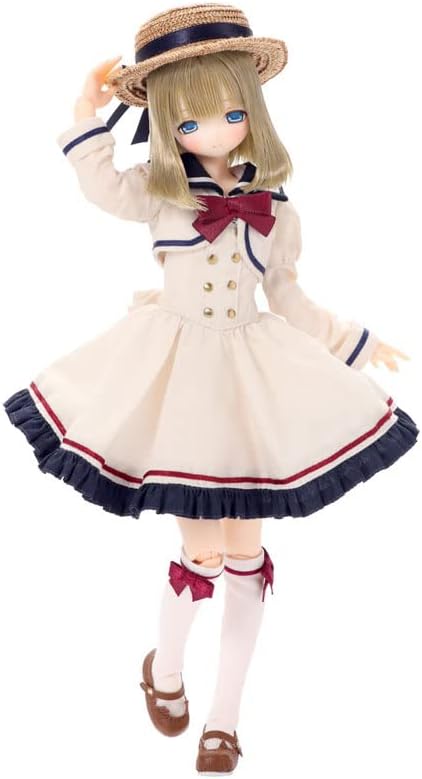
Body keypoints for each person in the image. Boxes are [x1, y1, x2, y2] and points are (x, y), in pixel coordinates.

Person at [3, 4, 418, 774]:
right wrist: (85, 113)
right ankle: (164, 668)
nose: (216, 131)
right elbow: (102, 187)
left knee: (246, 553)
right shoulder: (159, 191)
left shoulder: (276, 208)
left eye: (232, 113)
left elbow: (287, 296)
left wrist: (352, 342)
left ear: (253, 109)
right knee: (203, 552)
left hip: (249, 376)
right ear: (166, 122)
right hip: (179, 373)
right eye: (191, 120)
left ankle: (224, 718)